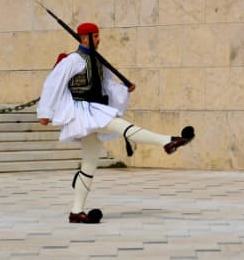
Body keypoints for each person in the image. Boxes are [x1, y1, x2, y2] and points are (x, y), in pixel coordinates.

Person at [37, 22, 195, 224]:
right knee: (122, 127)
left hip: (94, 109)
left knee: (89, 164)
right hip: (82, 111)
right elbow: (53, 85)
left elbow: (108, 85)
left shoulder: (99, 61)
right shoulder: (72, 61)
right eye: (94, 36)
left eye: (98, 36)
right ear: (84, 38)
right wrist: (45, 112)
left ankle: (76, 211)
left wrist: (124, 89)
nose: (98, 40)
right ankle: (168, 141)